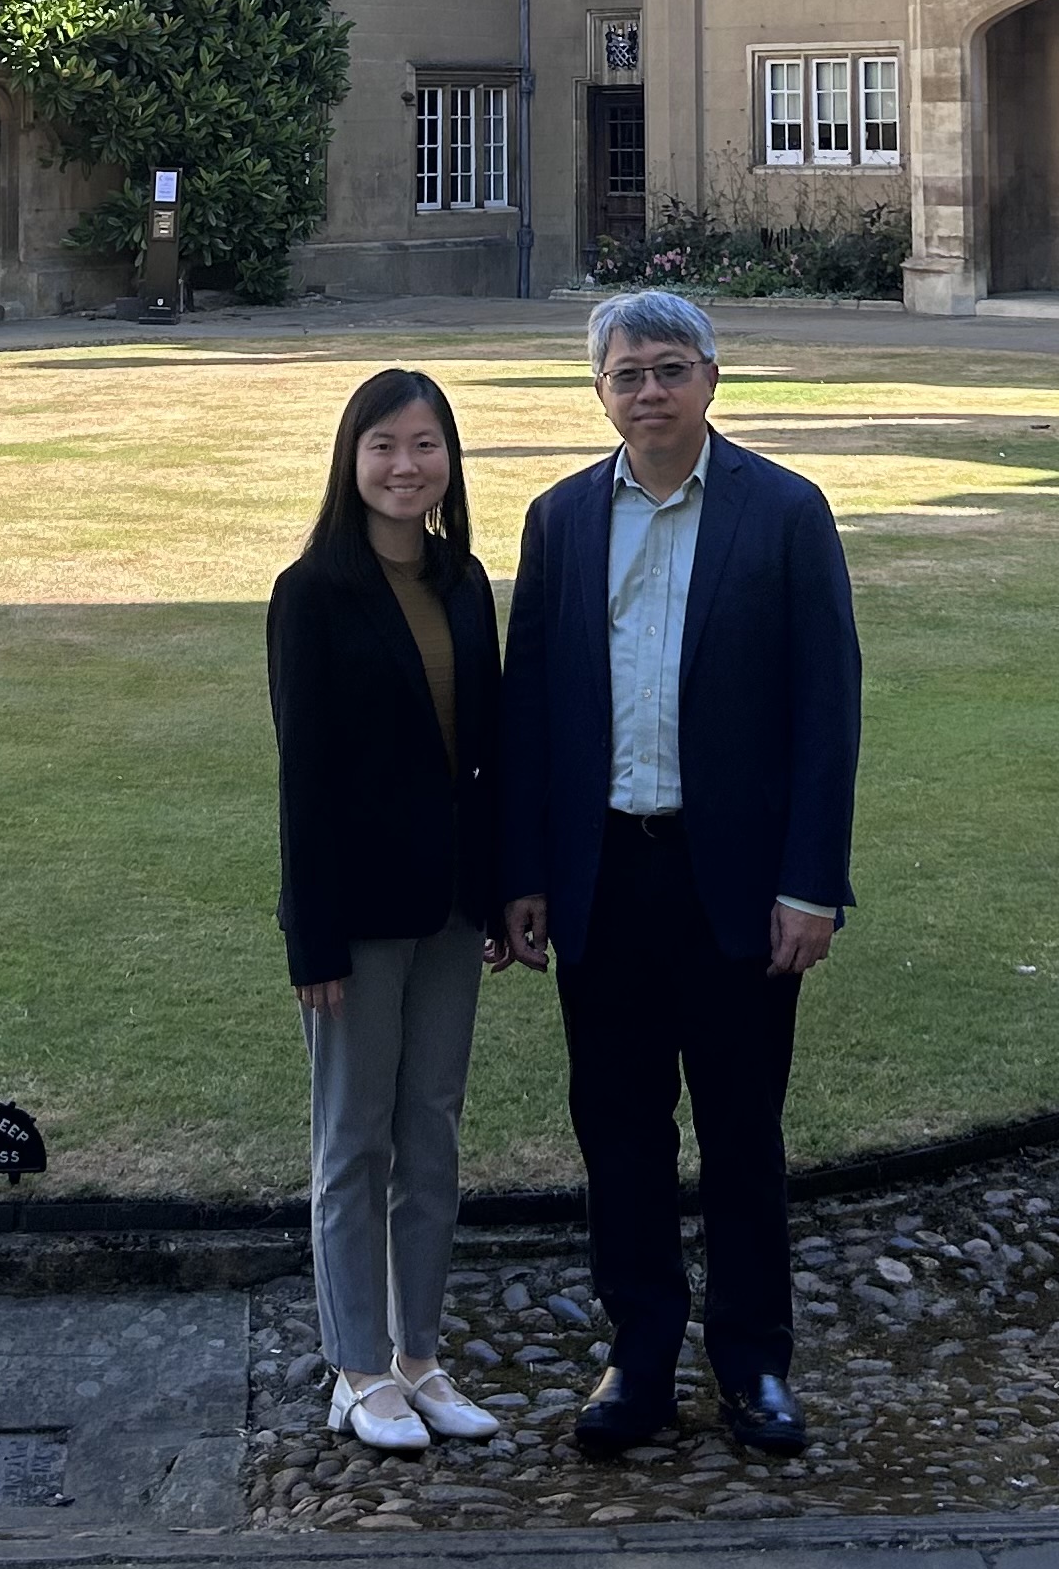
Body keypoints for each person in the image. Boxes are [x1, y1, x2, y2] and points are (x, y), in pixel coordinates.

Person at [501, 289, 861, 1457]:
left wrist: (812, 884)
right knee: (619, 1131)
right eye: (625, 375)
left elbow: (827, 707)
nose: (648, 392)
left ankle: (755, 1362)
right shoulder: (558, 521)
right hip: (606, 874)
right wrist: (528, 871)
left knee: (744, 1132)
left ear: (713, 377)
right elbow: (533, 716)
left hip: (741, 887)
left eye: (668, 368)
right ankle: (639, 1356)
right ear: (597, 393)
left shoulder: (785, 512)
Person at [267, 367, 511, 1456]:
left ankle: (420, 1355)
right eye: (384, 446)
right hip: (358, 916)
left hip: (454, 908)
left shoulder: (465, 582)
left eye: (425, 445)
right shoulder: (312, 592)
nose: (406, 467)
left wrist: (509, 891)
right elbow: (304, 779)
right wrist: (309, 933)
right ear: (350, 459)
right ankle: (358, 1367)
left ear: (450, 460)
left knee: (433, 1134)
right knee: (353, 1141)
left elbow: (488, 758)